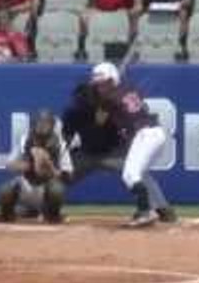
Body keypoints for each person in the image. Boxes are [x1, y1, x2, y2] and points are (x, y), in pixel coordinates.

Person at [60, 80, 177, 223]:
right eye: (82, 99)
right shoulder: (72, 114)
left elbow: (129, 126)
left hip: (113, 152)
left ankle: (161, 207)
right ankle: (41, 205)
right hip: (86, 154)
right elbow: (66, 139)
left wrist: (106, 116)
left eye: (89, 98)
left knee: (136, 172)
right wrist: (67, 161)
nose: (85, 102)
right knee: (61, 176)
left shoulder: (110, 107)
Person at [88, 62, 169, 228]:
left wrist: (99, 105)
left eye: (104, 83)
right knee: (141, 174)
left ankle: (145, 212)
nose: (100, 87)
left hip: (144, 135)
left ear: (113, 80)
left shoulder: (108, 99)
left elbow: (99, 121)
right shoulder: (129, 88)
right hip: (156, 133)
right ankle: (163, 210)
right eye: (98, 84)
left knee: (130, 175)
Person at [0, 109, 73, 225]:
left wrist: (49, 167)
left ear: (52, 125)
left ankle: (52, 215)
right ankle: (7, 215)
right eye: (39, 123)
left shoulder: (60, 144)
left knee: (57, 190)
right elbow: (10, 165)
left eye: (46, 123)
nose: (42, 126)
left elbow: (68, 175)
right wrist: (31, 165)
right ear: (33, 124)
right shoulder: (24, 140)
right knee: (5, 189)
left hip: (47, 189)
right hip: (26, 185)